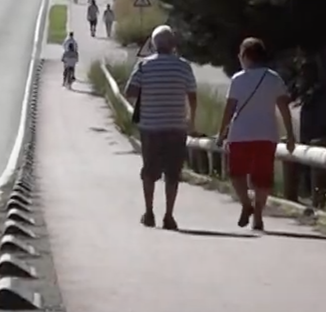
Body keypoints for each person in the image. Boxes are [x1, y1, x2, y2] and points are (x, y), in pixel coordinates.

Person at [216, 38, 296, 231]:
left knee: (236, 174)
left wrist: (221, 133)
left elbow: (229, 109)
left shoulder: (238, 79)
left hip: (240, 134)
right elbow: (284, 107)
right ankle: (258, 214)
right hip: (266, 134)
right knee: (262, 177)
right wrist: (290, 134)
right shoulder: (274, 78)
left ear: (245, 56)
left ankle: (246, 203)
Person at [123, 25, 198, 230]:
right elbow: (192, 95)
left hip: (151, 126)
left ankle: (149, 212)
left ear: (154, 45)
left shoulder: (144, 66)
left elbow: (129, 92)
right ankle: (169, 215)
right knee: (173, 173)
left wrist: (144, 100)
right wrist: (191, 120)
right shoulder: (184, 66)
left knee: (149, 170)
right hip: (176, 126)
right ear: (173, 45)